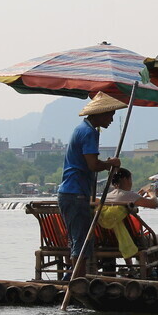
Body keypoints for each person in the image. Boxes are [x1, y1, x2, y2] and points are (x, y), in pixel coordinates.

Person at [57, 92, 124, 277]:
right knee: (81, 240)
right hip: (75, 192)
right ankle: (76, 281)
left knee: (78, 239)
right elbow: (93, 165)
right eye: (110, 114)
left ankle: (72, 277)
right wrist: (111, 164)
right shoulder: (88, 132)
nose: (111, 118)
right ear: (100, 113)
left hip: (72, 192)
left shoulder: (84, 129)